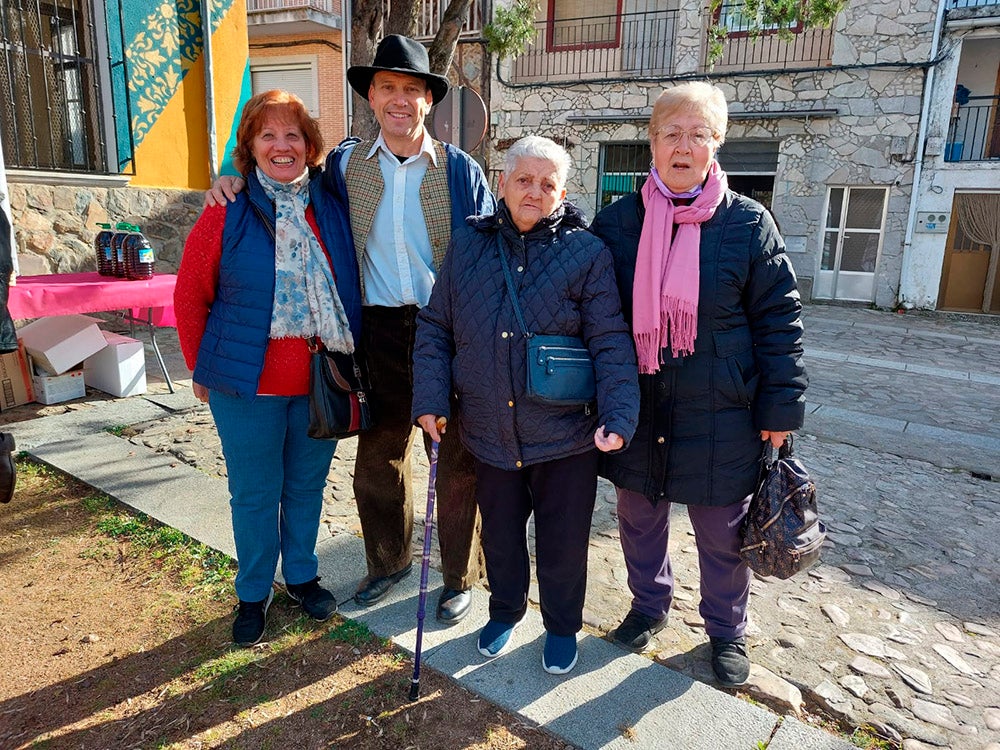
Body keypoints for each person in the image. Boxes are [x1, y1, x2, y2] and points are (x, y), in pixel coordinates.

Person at [208, 37, 494, 624]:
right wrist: (227, 176)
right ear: (369, 96)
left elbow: (491, 252)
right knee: (379, 458)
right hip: (377, 330)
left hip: (451, 330)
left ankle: (460, 577)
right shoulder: (341, 165)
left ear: (428, 101)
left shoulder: (462, 170)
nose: (399, 100)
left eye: (411, 89)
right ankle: (388, 563)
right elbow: (281, 175)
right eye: (387, 87)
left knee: (461, 458)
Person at [591, 82, 807, 687]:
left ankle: (726, 631)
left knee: (722, 533)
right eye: (670, 133)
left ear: (716, 143)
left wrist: (780, 407)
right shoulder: (617, 223)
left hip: (723, 410)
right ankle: (649, 605)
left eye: (697, 134)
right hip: (642, 405)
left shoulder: (748, 223)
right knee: (638, 516)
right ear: (652, 143)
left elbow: (779, 318)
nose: (682, 146)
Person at [413, 136, 639, 675]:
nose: (533, 192)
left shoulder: (586, 253)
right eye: (523, 180)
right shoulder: (469, 244)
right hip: (489, 429)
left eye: (547, 184)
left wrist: (619, 413)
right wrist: (429, 399)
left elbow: (609, 338)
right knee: (501, 534)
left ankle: (562, 627)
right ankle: (505, 611)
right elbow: (436, 327)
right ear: (503, 184)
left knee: (563, 543)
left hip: (564, 437)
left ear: (562, 193)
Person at [176, 90, 362, 647]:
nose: (282, 146)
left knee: (306, 487)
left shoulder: (330, 203)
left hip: (317, 381)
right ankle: (253, 592)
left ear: (309, 146)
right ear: (251, 147)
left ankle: (302, 576)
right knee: (256, 494)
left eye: (293, 136)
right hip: (245, 386)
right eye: (268, 135)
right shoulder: (226, 209)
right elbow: (189, 296)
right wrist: (201, 369)